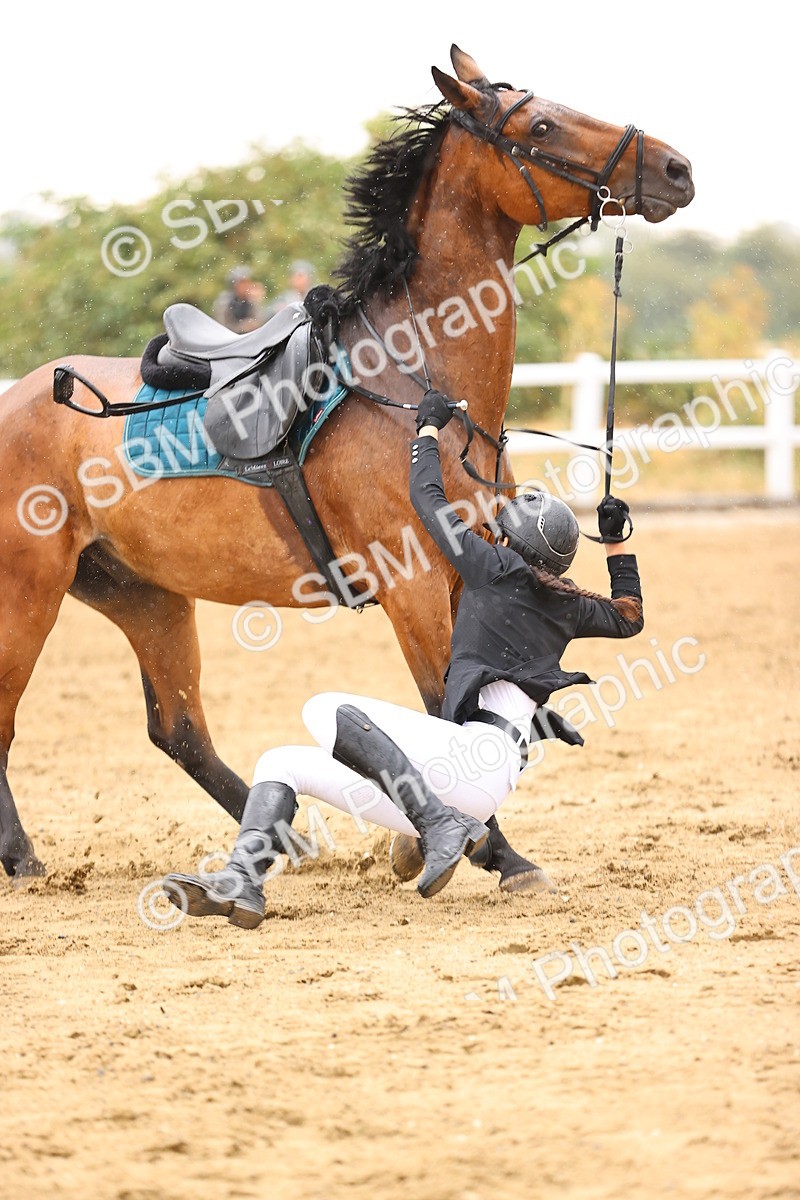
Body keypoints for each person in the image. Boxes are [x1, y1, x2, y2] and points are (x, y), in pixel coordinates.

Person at [164, 390, 643, 929]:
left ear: (510, 543)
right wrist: (615, 542)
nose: (491, 535)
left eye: (499, 533)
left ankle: (439, 826)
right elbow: (630, 615)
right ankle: (241, 880)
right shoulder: (571, 604)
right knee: (281, 763)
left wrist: (427, 432)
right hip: (472, 782)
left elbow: (427, 499)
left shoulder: (493, 567)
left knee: (326, 710)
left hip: (469, 764)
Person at [212, 266, 268, 333]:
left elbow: (260, 320)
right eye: (242, 283)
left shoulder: (251, 301)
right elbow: (221, 326)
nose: (246, 286)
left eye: (247, 282)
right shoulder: (225, 301)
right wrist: (241, 327)